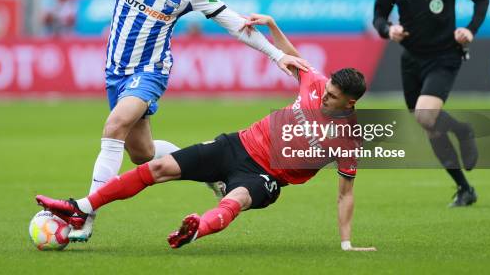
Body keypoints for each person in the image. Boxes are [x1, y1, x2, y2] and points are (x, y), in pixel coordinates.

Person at [0, 0, 309, 241]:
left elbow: (235, 24)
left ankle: (84, 217)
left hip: (151, 71)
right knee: (141, 152)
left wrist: (277, 55)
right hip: (116, 71)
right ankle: (208, 173)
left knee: (114, 126)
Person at [36, 14, 376, 252]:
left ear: (350, 102)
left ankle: (197, 229)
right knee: (158, 167)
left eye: (332, 97)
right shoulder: (317, 84)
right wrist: (271, 24)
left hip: (266, 176)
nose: (324, 96)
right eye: (326, 89)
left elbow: (345, 193)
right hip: (237, 144)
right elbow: (295, 60)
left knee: (235, 199)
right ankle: (81, 206)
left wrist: (346, 243)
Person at [372, 0, 490, 207]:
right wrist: (389, 30)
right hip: (411, 60)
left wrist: (470, 29)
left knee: (426, 115)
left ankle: (463, 132)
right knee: (430, 125)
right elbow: (378, 16)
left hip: (445, 55)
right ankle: (464, 188)